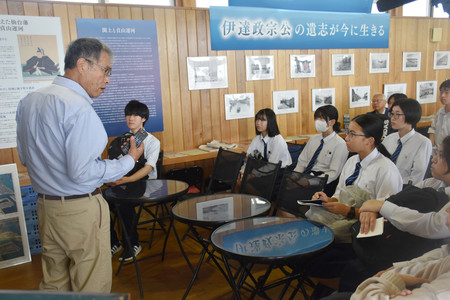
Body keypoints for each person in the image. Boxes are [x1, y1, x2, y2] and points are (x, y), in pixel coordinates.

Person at [16, 38, 144, 292]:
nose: (107, 79)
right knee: (91, 286)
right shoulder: (79, 108)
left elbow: (24, 157)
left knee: (54, 282)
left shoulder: (29, 101)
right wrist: (129, 160)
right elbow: (82, 172)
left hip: (46, 206)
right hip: (79, 210)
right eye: (105, 70)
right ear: (83, 64)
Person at [302, 114, 402, 296]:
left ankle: (343, 291)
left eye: (352, 134)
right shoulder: (351, 161)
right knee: (307, 245)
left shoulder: (386, 169)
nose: (346, 138)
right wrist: (327, 199)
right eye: (347, 133)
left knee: (317, 257)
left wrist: (348, 211)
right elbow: (340, 195)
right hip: (341, 222)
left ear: (369, 141)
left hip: (364, 234)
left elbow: (386, 216)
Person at [322, 204, 450, 300]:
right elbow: (435, 261)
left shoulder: (442, 291)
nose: (447, 210)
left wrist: (389, 281)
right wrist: (394, 271)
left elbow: (363, 297)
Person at [108, 100, 160, 262]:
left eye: (136, 115)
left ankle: (133, 244)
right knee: (99, 202)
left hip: (145, 184)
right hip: (123, 183)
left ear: (144, 118)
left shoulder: (152, 141)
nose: (131, 118)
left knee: (123, 203)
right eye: (128, 114)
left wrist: (127, 179)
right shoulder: (121, 140)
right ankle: (113, 242)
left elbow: (149, 168)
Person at [294, 105, 348, 196]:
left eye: (321, 118)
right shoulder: (313, 139)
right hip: (305, 176)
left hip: (323, 182)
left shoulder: (340, 144)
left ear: (332, 122)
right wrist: (294, 176)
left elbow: (333, 173)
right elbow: (302, 162)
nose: (317, 121)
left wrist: (309, 182)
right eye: (316, 118)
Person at [382, 98, 432, 185]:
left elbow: (417, 178)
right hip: (382, 184)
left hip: (404, 190)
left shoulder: (423, 143)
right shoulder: (389, 138)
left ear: (410, 115)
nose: (392, 118)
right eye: (392, 114)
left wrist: (392, 183)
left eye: (397, 114)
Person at [428, 79, 450, 150]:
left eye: (447, 92)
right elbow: (432, 129)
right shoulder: (440, 112)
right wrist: (430, 146)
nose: (443, 95)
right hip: (437, 150)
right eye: (441, 92)